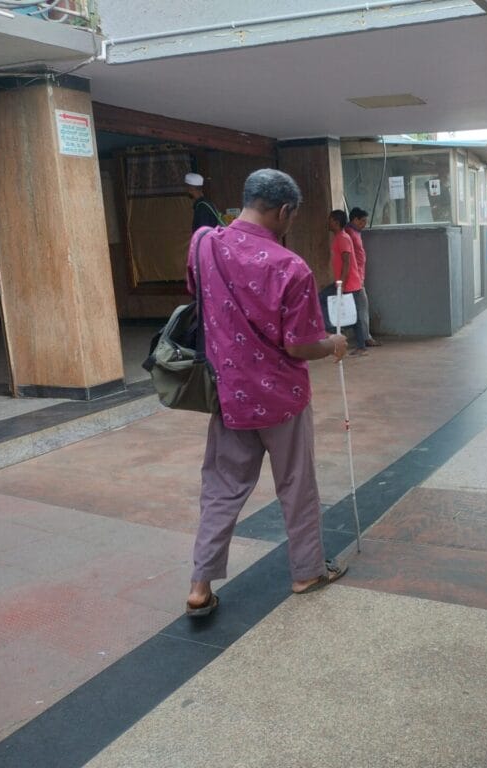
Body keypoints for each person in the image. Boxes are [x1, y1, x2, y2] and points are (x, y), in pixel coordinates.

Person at [185, 169, 350, 618]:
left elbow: (198, 297)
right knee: (296, 485)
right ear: (284, 211)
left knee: (221, 488)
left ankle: (200, 585)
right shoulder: (290, 267)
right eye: (291, 217)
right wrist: (333, 344)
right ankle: (306, 572)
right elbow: (298, 344)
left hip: (228, 394)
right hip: (282, 400)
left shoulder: (204, 244)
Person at [324, 209, 367, 355]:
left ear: (336, 222)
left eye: (330, 220)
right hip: (344, 283)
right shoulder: (339, 237)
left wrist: (341, 283)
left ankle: (360, 346)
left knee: (353, 316)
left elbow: (347, 262)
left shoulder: (343, 238)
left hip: (349, 284)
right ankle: (334, 331)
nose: (328, 222)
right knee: (350, 313)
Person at [346, 207, 381, 348]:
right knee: (362, 307)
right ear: (355, 219)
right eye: (363, 221)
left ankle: (364, 337)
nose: (364, 224)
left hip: (358, 276)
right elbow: (350, 258)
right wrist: (357, 277)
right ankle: (365, 337)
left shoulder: (355, 232)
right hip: (355, 278)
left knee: (358, 307)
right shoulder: (349, 233)